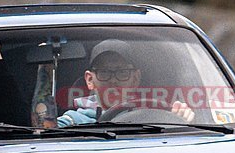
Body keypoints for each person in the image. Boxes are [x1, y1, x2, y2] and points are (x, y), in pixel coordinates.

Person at [49, 39, 195, 127]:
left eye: (122, 72)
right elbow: (46, 131)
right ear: (90, 80)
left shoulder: (155, 118)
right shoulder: (73, 122)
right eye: (104, 72)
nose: (113, 80)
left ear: (135, 79)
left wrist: (180, 118)